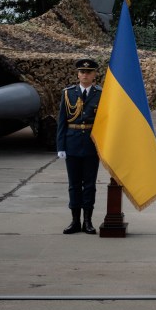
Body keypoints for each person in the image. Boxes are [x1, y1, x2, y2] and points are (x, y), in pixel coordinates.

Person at [56, 57, 102, 235]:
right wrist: (61, 146)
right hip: (72, 142)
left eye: (89, 72)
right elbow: (62, 121)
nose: (85, 75)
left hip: (91, 144)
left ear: (94, 75)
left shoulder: (100, 93)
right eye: (82, 72)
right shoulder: (68, 93)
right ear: (78, 74)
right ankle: (75, 221)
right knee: (74, 184)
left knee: (89, 184)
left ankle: (88, 222)